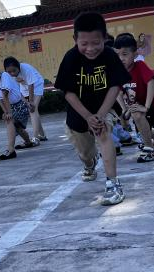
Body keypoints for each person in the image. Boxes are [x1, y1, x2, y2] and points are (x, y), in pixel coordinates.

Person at [54, 12, 130, 206]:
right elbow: (68, 92)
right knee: (85, 154)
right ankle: (90, 163)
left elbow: (115, 86)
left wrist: (101, 114)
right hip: (79, 112)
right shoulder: (71, 58)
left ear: (104, 37)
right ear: (75, 39)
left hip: (104, 108)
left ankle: (113, 184)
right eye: (84, 44)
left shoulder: (110, 56)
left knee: (103, 132)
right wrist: (88, 116)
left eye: (96, 43)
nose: (90, 49)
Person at [113, 33, 154, 162]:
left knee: (138, 116)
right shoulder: (120, 72)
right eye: (117, 55)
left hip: (153, 110)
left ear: (135, 54)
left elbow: (151, 83)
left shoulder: (140, 66)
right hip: (137, 110)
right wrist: (124, 109)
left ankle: (150, 150)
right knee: (143, 130)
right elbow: (117, 92)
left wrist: (146, 107)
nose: (120, 58)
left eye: (124, 54)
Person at [0, 61, 36, 159]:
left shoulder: (4, 76)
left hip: (20, 105)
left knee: (10, 121)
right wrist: (6, 112)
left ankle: (11, 150)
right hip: (11, 106)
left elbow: (5, 95)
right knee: (17, 127)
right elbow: (0, 99)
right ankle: (28, 142)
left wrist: (9, 113)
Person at [3, 57, 48, 142]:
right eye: (9, 72)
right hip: (24, 87)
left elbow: (31, 85)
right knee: (33, 109)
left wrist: (31, 101)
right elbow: (17, 91)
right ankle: (42, 135)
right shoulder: (7, 76)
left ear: (18, 66)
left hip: (36, 84)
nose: (12, 73)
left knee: (33, 110)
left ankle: (35, 137)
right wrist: (26, 102)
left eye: (14, 70)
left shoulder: (26, 68)